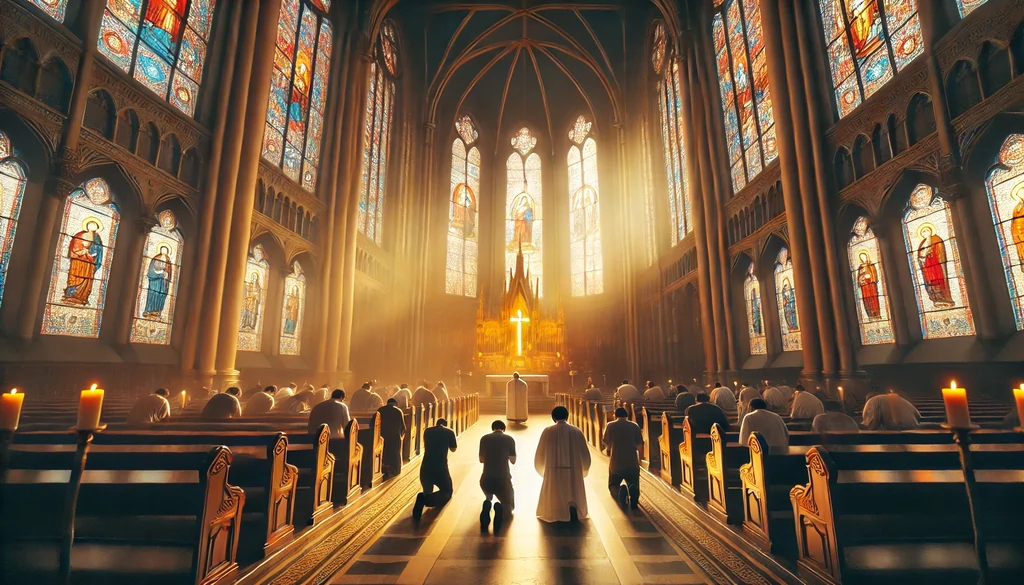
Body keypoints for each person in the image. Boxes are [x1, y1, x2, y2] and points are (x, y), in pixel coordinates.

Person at [535, 406, 591, 523]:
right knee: (573, 492)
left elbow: (540, 452)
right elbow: (585, 453)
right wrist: (584, 468)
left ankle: (555, 511)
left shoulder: (548, 431)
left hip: (553, 470)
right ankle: (573, 509)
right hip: (574, 470)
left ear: (553, 417)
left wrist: (542, 469)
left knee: (555, 494)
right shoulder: (576, 431)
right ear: (567, 416)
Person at [413, 418, 458, 520]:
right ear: (445, 425)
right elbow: (453, 449)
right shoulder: (449, 432)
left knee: (427, 489)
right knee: (447, 491)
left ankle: (421, 504)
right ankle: (425, 500)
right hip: (440, 467)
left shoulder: (427, 431)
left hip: (426, 466)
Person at [479, 420, 517, 531]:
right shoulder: (509, 439)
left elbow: (481, 460)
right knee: (509, 506)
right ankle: (499, 509)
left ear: (493, 428)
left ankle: (487, 503)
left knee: (489, 495)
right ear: (504, 429)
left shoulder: (484, 438)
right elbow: (513, 460)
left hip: (485, 480)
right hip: (503, 479)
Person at [603, 407, 643, 509]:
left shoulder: (610, 425)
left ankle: (619, 491)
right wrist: (640, 460)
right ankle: (633, 488)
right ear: (627, 415)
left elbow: (606, 442)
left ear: (615, 415)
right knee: (633, 479)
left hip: (616, 463)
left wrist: (611, 449)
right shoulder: (634, 426)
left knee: (612, 485)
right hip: (632, 462)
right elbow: (639, 445)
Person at [378, 398, 407, 479]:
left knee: (384, 452)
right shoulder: (398, 411)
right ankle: (395, 469)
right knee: (395, 453)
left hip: (382, 436)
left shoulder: (380, 410)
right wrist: (401, 436)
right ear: (395, 404)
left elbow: (373, 424)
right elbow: (403, 427)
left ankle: (383, 467)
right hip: (395, 436)